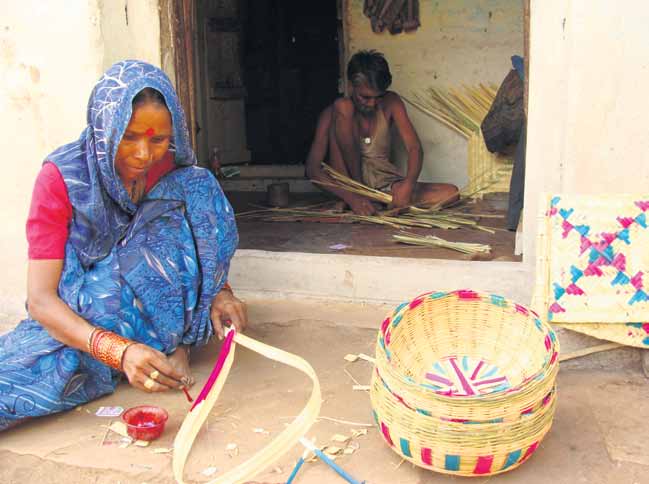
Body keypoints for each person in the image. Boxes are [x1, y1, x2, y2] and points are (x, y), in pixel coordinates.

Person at [0, 60, 247, 431]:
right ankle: (140, 353)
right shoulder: (61, 179)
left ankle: (174, 344)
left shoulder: (172, 172)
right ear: (105, 129)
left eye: (158, 139)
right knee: (29, 376)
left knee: (199, 186)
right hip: (94, 311)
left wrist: (221, 293)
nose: (144, 154)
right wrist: (118, 351)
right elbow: (41, 300)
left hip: (156, 305)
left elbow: (198, 243)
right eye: (129, 137)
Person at [306, 50, 459, 215]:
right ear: (350, 86)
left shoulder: (391, 102)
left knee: (451, 193)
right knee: (343, 106)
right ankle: (358, 199)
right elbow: (312, 170)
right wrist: (353, 198)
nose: (372, 104)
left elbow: (414, 148)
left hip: (383, 184)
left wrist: (407, 185)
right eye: (365, 97)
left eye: (378, 97)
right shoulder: (331, 114)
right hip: (347, 185)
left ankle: (379, 202)